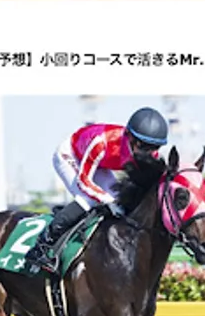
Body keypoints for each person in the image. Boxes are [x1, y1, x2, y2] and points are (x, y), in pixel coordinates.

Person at [25, 107, 169, 272]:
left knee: (119, 200)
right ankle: (42, 246)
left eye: (154, 147)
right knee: (88, 200)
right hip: (70, 156)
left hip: (100, 165)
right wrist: (107, 200)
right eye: (143, 146)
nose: (148, 152)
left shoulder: (149, 154)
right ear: (130, 137)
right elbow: (83, 181)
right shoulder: (101, 143)